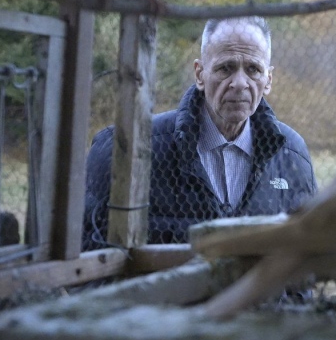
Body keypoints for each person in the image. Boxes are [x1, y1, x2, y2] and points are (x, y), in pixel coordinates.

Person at [84, 16, 317, 249]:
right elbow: (93, 254)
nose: (239, 83)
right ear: (199, 74)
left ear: (268, 80)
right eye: (226, 68)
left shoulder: (291, 155)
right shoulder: (132, 149)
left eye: (253, 69)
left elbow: (302, 262)